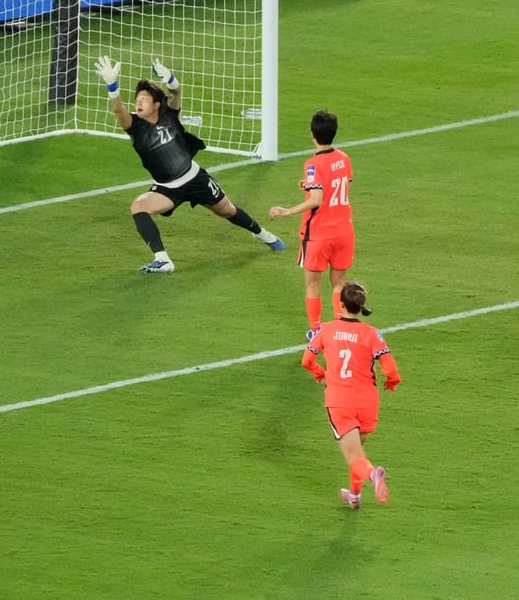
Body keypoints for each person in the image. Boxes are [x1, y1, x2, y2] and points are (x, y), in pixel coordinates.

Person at [93, 55, 284, 273]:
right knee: (138, 206)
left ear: (157, 104)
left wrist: (171, 78)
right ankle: (163, 259)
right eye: (137, 98)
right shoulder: (134, 126)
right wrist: (112, 86)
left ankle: (263, 234)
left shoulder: (169, 115)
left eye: (144, 98)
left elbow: (176, 93)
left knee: (228, 211)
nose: (138, 102)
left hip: (195, 178)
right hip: (167, 188)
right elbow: (119, 110)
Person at [302, 282, 400, 510]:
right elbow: (390, 367)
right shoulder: (372, 333)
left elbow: (307, 360)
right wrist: (392, 381)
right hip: (367, 402)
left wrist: (320, 374)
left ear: (342, 305)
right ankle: (354, 495)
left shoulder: (326, 329)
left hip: (340, 402)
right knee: (357, 452)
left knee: (356, 458)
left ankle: (373, 474)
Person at [269, 111, 353, 340]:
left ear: (312, 135)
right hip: (344, 230)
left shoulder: (313, 164)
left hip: (319, 233)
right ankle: (339, 325)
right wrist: (309, 184)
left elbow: (316, 199)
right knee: (339, 282)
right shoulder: (344, 158)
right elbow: (337, 185)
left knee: (312, 283)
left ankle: (316, 330)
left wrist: (287, 211)